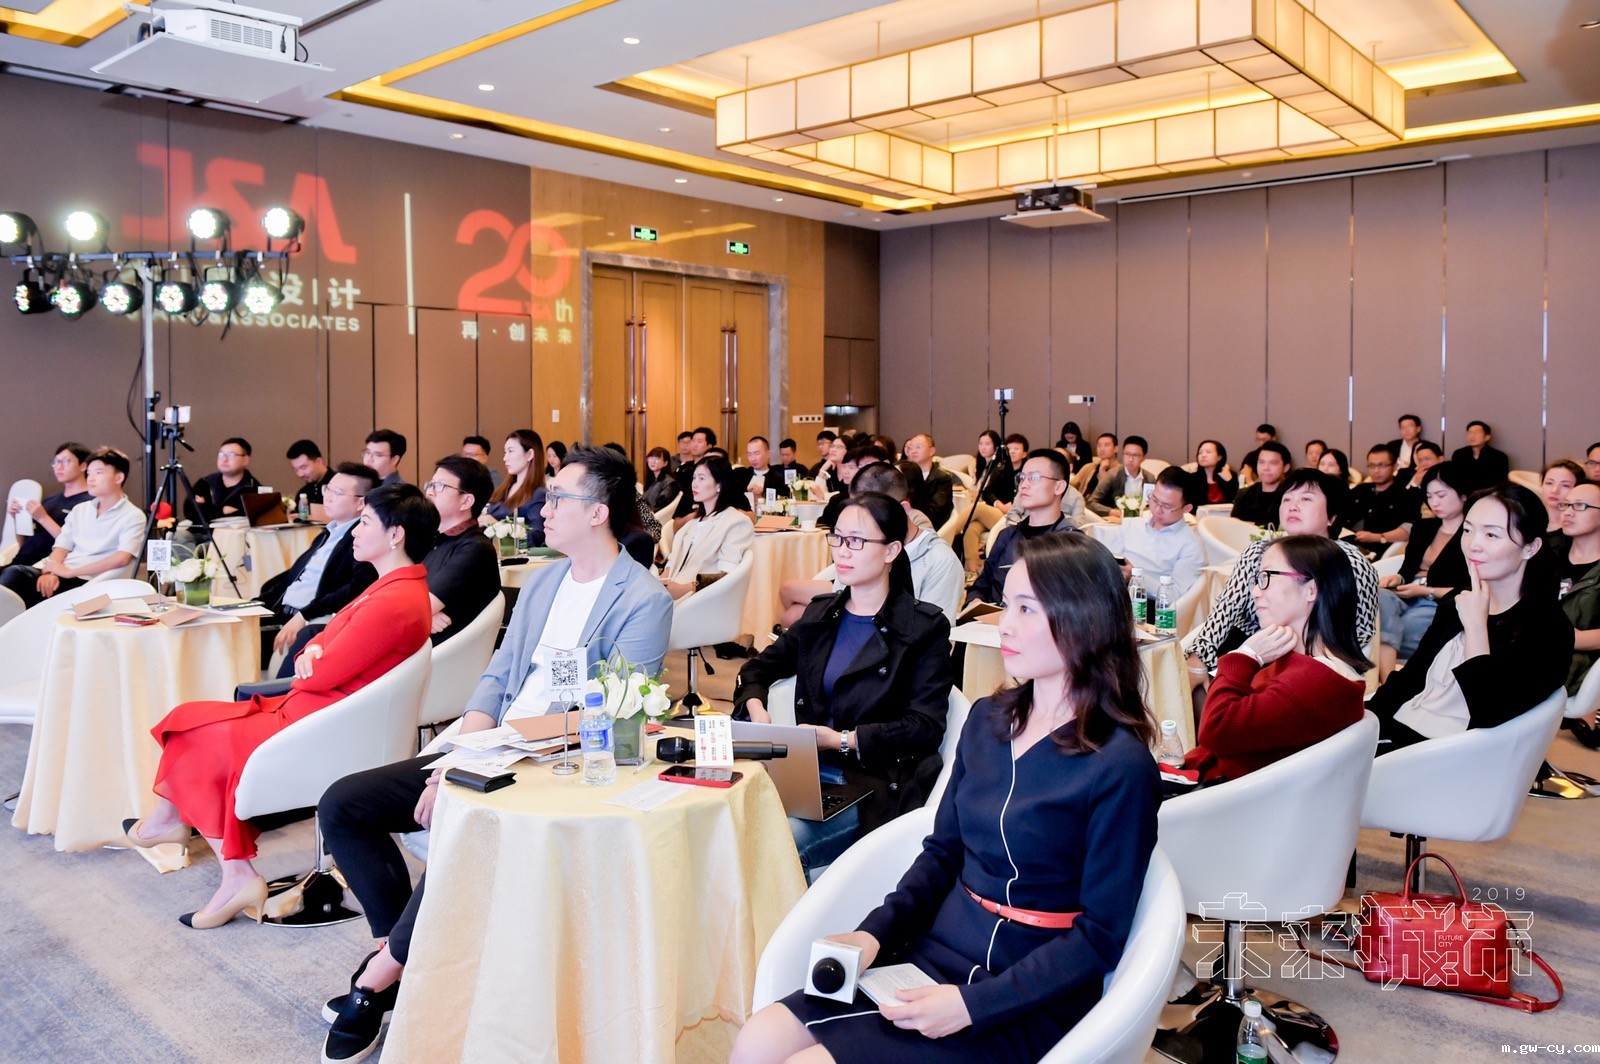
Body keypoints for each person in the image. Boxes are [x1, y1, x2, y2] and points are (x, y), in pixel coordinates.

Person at [731, 533, 1157, 1064]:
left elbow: (1100, 935)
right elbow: (942, 853)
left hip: (1028, 991)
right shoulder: (988, 720)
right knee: (757, 1040)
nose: (1005, 624)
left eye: (1027, 609)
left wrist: (973, 1006)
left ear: (1083, 619)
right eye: (1007, 604)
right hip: (938, 950)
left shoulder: (1120, 765)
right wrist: (874, 935)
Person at [317, 445, 673, 1063]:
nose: (544, 509)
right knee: (344, 805)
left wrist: (477, 764)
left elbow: (617, 714)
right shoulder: (544, 581)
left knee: (466, 819)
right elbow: (500, 674)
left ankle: (381, 977)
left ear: (598, 513)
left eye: (558, 498)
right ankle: (406, 952)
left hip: (558, 756)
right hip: (492, 742)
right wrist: (462, 752)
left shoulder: (643, 599)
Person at [125, 483, 435, 928]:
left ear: (396, 535)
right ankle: (200, 843)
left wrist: (315, 657)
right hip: (317, 710)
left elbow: (321, 669)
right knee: (188, 721)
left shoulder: (394, 600)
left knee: (192, 731)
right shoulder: (392, 588)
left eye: (365, 522)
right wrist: (315, 653)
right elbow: (318, 643)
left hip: (321, 721)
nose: (354, 531)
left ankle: (207, 851)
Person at [734, 491, 954, 875]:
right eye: (837, 538)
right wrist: (756, 709)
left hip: (871, 784)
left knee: (774, 846)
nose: (842, 551)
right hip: (804, 774)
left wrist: (841, 740)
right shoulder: (822, 615)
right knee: (730, 830)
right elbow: (757, 669)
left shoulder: (923, 628)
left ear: (891, 551)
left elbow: (925, 726)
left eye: (857, 541)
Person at [1367, 483, 1571, 753]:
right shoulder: (1458, 601)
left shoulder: (1547, 628)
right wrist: (1364, 722)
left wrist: (1476, 627)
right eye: (1467, 530)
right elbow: (1411, 678)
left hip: (1449, 757)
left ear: (1530, 548)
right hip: (1402, 728)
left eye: (1491, 534)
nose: (1473, 545)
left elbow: (1488, 712)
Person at [1182, 536, 1370, 786]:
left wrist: (1244, 656)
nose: (1255, 592)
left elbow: (1215, 730)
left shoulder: (1317, 680)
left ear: (1311, 590)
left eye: (1266, 577)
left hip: (1223, 797)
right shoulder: (1303, 663)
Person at [1186, 469, 1378, 688]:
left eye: (1306, 499)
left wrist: (1311, 661)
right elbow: (1226, 610)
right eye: (1287, 499)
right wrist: (1199, 658)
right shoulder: (1259, 552)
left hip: (1315, 661)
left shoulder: (1350, 562)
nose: (1292, 506)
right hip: (1251, 645)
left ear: (1332, 517)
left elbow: (1361, 631)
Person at [781, 464, 965, 628]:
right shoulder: (860, 546)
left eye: (870, 514)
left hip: (892, 650)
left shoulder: (939, 561)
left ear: (902, 510)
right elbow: (841, 605)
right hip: (850, 635)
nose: (858, 522)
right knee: (793, 617)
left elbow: (935, 637)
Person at [259, 463, 381, 668]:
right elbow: (294, 576)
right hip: (283, 612)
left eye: (337, 493)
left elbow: (355, 589)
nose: (328, 497)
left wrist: (305, 614)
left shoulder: (360, 540)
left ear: (361, 502)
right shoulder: (327, 533)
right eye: (327, 489)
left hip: (308, 619)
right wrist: (257, 603)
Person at [0, 447, 143, 608]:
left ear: (118, 477)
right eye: (89, 473)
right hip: (58, 571)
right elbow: (61, 546)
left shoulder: (133, 516)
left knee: (15, 576)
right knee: (13, 578)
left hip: (88, 580)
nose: (91, 478)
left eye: (98, 472)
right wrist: (51, 571)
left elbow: (122, 558)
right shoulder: (80, 510)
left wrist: (69, 572)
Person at [1375, 462, 1472, 678]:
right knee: (1378, 597)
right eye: (1429, 496)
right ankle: (1389, 676)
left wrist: (1426, 591)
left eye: (1441, 495)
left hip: (1439, 601)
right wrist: (1397, 578)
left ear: (1463, 494)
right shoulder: (1423, 527)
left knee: (1394, 629)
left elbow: (1468, 589)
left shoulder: (1472, 535)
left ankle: (1387, 679)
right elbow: (1407, 569)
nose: (1434, 502)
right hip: (1406, 593)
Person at [967, 449, 1080, 607]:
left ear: (1058, 486)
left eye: (1034, 477)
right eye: (1021, 477)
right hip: (994, 618)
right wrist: (975, 601)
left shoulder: (1071, 544)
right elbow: (980, 586)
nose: (1024, 485)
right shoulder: (1007, 536)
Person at [420, 455, 501, 644]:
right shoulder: (431, 539)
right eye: (430, 485)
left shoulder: (475, 548)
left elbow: (414, 610)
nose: (430, 492)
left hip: (441, 654)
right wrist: (425, 616)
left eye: (439, 486)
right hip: (418, 646)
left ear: (466, 501)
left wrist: (422, 615)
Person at [1093, 468, 1204, 599]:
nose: (1157, 509)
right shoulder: (1133, 524)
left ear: (1186, 508)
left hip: (1148, 604)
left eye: (1166, 506)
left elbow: (1174, 595)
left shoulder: (1191, 545)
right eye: (1154, 500)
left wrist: (1136, 577)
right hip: (1111, 593)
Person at [661, 455, 755, 601]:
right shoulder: (692, 523)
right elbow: (671, 565)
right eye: (694, 478)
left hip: (700, 600)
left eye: (702, 478)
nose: (694, 484)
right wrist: (661, 585)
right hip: (671, 596)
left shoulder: (736, 522)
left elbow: (728, 576)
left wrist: (686, 589)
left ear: (719, 485)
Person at [1554, 482, 1600, 748]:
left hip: (1578, 657)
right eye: (1565, 505)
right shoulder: (1547, 552)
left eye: (1580, 506)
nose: (1568, 511)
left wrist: (1566, 638)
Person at [6, 441, 89, 567]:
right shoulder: (50, 500)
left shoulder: (88, 502)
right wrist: (18, 519)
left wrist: (43, 518)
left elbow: (76, 546)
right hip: (19, 562)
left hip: (44, 567)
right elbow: (24, 544)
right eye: (56, 462)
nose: (59, 467)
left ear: (83, 466)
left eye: (66, 461)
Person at [1346, 444, 1419, 556]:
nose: (1376, 471)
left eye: (1382, 465)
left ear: (1395, 466)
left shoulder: (1404, 495)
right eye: (1371, 466)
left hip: (1381, 552)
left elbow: (1410, 528)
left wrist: (1377, 537)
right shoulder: (1361, 490)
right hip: (1349, 546)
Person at [960, 430, 1016, 576]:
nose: (983, 447)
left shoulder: (1002, 468)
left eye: (987, 444)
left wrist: (999, 504)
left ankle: (950, 532)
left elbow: (988, 494)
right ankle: (973, 571)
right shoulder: (981, 467)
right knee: (971, 529)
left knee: (978, 508)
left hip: (1002, 514)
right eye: (980, 443)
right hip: (986, 515)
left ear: (996, 446)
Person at [482, 429, 548, 544]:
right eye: (505, 452)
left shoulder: (538, 494)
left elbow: (537, 535)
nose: (505, 458)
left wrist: (497, 526)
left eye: (511, 451)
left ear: (529, 455)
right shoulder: (504, 489)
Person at [186, 437, 259, 523]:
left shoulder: (254, 489)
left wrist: (205, 506)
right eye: (221, 455)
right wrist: (222, 510)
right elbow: (189, 511)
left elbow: (244, 516)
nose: (224, 459)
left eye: (231, 455)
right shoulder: (206, 482)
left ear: (245, 460)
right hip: (201, 530)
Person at [1088, 435, 1151, 519]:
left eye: (1135, 455)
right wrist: (1112, 512)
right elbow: (1091, 503)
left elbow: (1151, 504)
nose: (1130, 459)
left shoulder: (1149, 478)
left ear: (1144, 457)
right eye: (1127, 454)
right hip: (1117, 520)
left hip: (1141, 520)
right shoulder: (1112, 475)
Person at [901, 433, 955, 529]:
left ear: (931, 451)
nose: (913, 451)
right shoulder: (904, 475)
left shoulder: (941, 479)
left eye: (918, 447)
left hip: (926, 528)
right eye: (911, 447)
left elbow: (935, 513)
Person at [1230, 442, 1291, 526]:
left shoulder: (1291, 496)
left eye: (1273, 463)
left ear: (1286, 467)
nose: (1266, 468)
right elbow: (1233, 525)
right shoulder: (1244, 494)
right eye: (1262, 462)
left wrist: (1252, 525)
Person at [1449, 420, 1510, 494]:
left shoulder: (1499, 457)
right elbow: (1454, 479)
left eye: (1476, 433)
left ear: (1487, 437)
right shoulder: (1459, 454)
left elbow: (1500, 484)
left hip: (1489, 496)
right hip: (1463, 496)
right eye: (1469, 433)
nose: (1472, 436)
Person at [671, 426, 718, 521]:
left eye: (699, 441)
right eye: (693, 441)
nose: (694, 445)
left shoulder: (714, 470)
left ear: (709, 446)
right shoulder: (684, 468)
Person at [1184, 438, 1236, 508]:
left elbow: (1236, 502)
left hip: (1226, 514)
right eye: (1200, 453)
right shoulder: (1191, 479)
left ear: (1219, 457)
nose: (1203, 455)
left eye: (1208, 452)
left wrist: (1230, 481)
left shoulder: (1231, 476)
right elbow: (1191, 505)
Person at [736, 435, 791, 501]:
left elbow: (784, 502)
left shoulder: (777, 478)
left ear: (768, 454)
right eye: (749, 454)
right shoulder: (743, 475)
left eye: (756, 453)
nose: (753, 459)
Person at [1538, 459, 1585, 533]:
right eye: (1549, 483)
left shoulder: (1581, 528)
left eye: (1565, 485)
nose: (1554, 490)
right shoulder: (1526, 519)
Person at [286, 439, 332, 513]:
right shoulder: (303, 493)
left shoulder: (339, 487)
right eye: (296, 470)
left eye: (303, 467)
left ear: (319, 461)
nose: (300, 474)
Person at [1075, 432, 1119, 499]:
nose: (1102, 449)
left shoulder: (1120, 471)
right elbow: (1072, 484)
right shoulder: (1089, 467)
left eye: (1106, 445)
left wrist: (1102, 471)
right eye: (1099, 445)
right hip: (1083, 503)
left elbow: (1110, 493)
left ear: (1116, 449)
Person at [642, 446, 679, 511]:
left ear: (665, 463)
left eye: (657, 459)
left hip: (653, 515)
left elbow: (662, 507)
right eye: (651, 458)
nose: (653, 461)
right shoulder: (652, 479)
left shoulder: (669, 483)